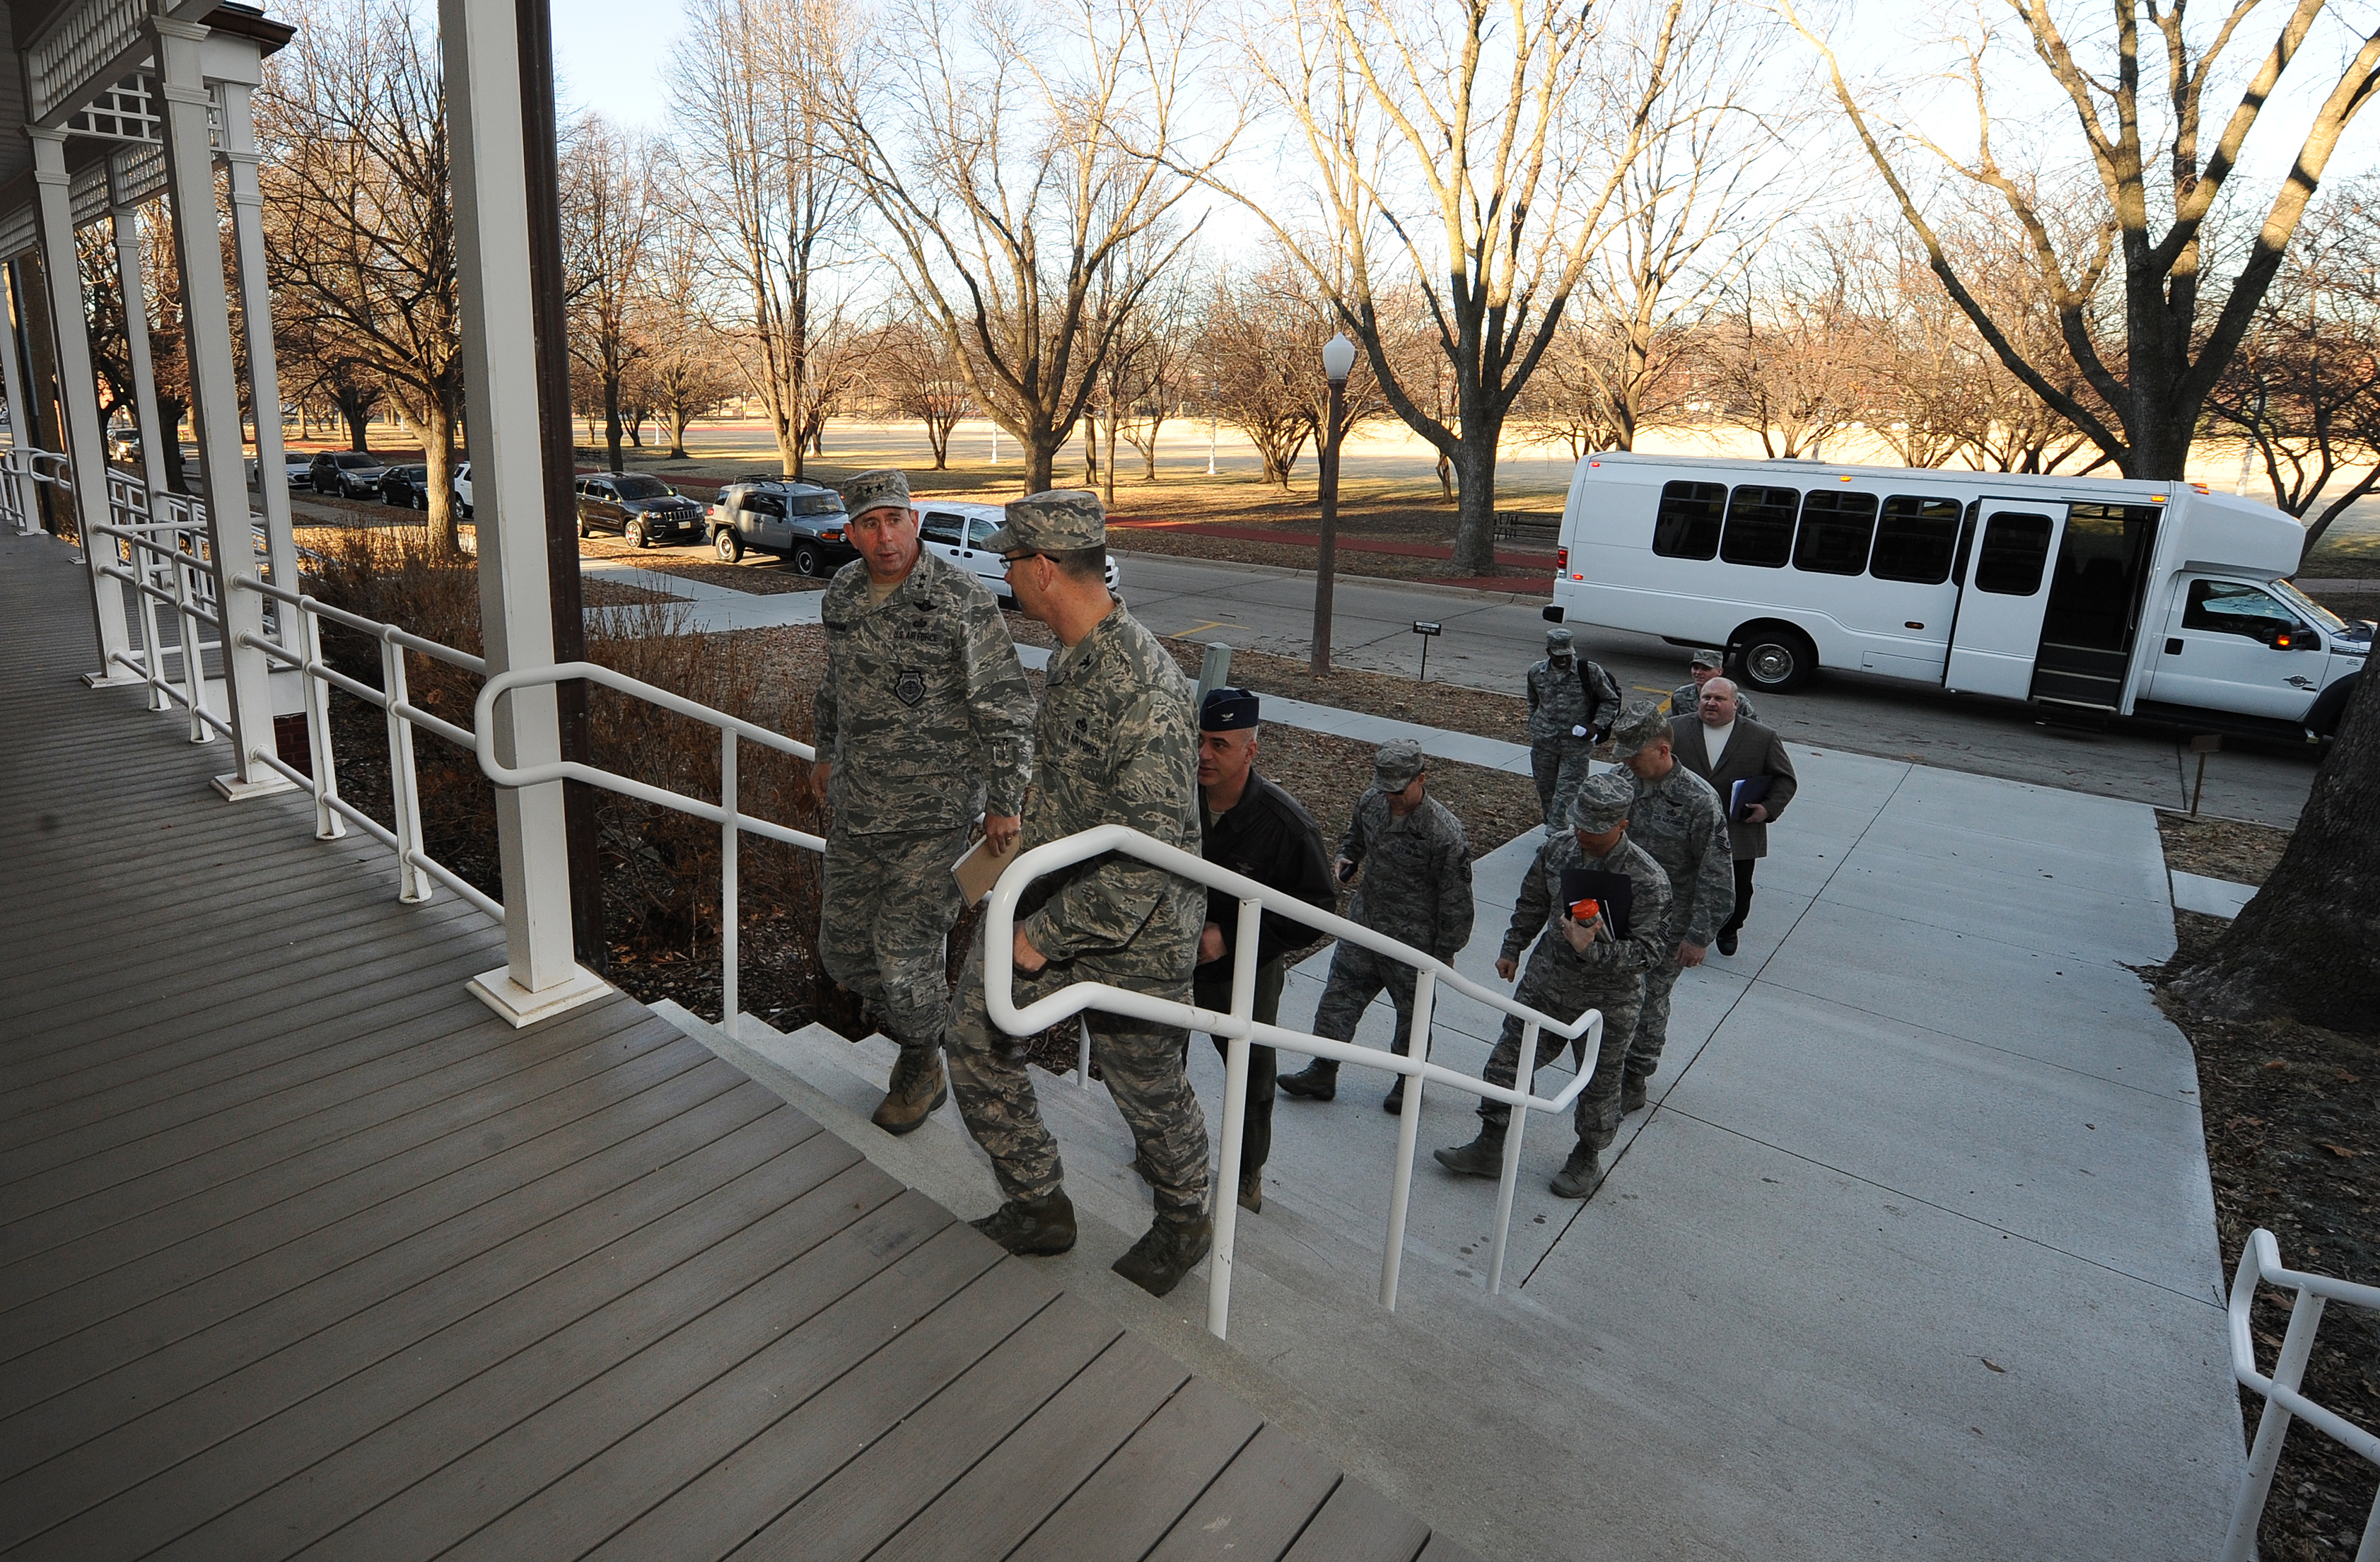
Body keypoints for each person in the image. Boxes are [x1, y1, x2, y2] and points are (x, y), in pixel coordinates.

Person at [943, 489, 1215, 1298]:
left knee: (1146, 1086)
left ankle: (1183, 1218)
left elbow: (1149, 860)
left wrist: (1039, 937)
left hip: (1138, 932)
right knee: (974, 1035)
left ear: (1046, 570)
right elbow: (1076, 787)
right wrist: (1011, 845)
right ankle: (1039, 1203)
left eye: (1010, 562)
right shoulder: (1075, 651)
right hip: (1060, 895)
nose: (1006, 574)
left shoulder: (1148, 690)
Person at [811, 467, 1033, 1134]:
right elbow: (834, 683)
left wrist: (1005, 800)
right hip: (858, 808)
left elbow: (1007, 707)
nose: (887, 537)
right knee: (842, 951)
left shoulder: (961, 600)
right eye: (870, 524)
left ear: (915, 519)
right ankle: (935, 1028)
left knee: (903, 948)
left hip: (933, 819)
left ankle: (921, 1060)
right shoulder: (843, 594)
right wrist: (824, 751)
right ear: (850, 533)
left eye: (897, 519)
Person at [1433, 771, 1671, 1201]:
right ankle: (1489, 1146)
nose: (1583, 833)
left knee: (1599, 1084)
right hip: (1546, 986)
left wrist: (1592, 951)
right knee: (1506, 1065)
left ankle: (1587, 1157)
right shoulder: (1559, 847)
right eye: (1579, 822)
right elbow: (1533, 900)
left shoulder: (1647, 879)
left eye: (1594, 830)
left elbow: (1650, 953)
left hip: (1607, 1005)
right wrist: (1513, 946)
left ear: (1623, 825)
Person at [1191, 687, 1336, 1215]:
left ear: (1250, 751)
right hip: (1171, 958)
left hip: (1244, 972)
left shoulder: (1285, 826)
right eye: (1201, 740)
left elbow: (1317, 906)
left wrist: (1231, 935)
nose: (1204, 755)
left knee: (1251, 1070)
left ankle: (1247, 1170)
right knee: (1158, 1049)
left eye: (1220, 745)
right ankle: (1160, 1147)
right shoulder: (1176, 798)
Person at [1276, 739, 1474, 1113]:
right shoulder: (1371, 802)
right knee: (1338, 998)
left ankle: (1406, 1081)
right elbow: (1355, 838)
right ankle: (1322, 1069)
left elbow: (1457, 898)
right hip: (1366, 926)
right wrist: (1346, 857)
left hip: (1414, 942)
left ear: (1421, 779)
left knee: (1412, 1016)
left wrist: (1447, 949)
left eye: (1398, 790)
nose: (1391, 798)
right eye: (1385, 789)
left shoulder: (1444, 833)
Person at [1606, 700, 1735, 1113]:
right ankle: (1604, 1064)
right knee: (1607, 992)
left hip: (1667, 924)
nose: (1626, 762)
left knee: (1649, 999)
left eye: (1634, 754)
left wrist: (1699, 936)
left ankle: (1634, 1077)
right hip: (1614, 911)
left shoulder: (1698, 799)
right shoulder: (1619, 782)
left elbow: (1716, 874)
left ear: (1663, 750)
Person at [1669, 677, 1797, 957]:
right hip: (1682, 828)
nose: (1711, 703)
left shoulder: (1762, 738)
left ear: (1735, 704)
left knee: (1737, 889)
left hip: (1737, 829)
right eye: (1706, 698)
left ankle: (1729, 928)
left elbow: (1785, 780)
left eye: (1719, 699)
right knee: (1682, 884)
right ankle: (1683, 931)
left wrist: (1768, 809)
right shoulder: (1675, 729)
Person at [1527, 627, 1621, 832]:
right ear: (1548, 652)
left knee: (1566, 795)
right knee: (1547, 793)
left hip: (1576, 747)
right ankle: (1552, 826)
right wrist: (1534, 725)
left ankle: (1555, 836)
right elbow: (1533, 701)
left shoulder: (1590, 671)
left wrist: (1596, 726)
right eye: (1558, 655)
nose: (1563, 660)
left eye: (1567, 655)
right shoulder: (1536, 672)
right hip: (1544, 743)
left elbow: (1610, 700)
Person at [1669, 648, 1758, 725]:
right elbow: (1676, 725)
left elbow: (1755, 729)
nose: (1698, 672)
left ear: (1719, 671)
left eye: (1705, 669)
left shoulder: (1738, 701)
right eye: (1696, 668)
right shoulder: (1680, 696)